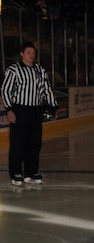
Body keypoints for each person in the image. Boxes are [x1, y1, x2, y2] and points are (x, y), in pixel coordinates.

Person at [1, 41, 58, 185]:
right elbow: (6, 90)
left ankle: (31, 172)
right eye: (28, 53)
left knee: (34, 143)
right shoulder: (13, 70)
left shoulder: (40, 70)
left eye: (33, 53)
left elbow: (46, 89)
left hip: (35, 110)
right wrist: (9, 109)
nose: (31, 55)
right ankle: (16, 173)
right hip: (20, 110)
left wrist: (53, 106)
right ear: (21, 54)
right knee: (18, 143)